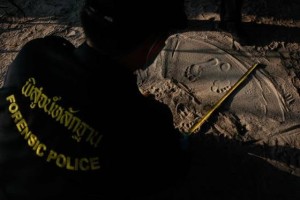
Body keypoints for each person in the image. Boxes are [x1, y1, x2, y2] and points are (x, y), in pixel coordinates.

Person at [0, 0, 189, 199]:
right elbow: (169, 172)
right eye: (163, 38)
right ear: (152, 46)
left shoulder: (34, 55)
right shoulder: (143, 122)